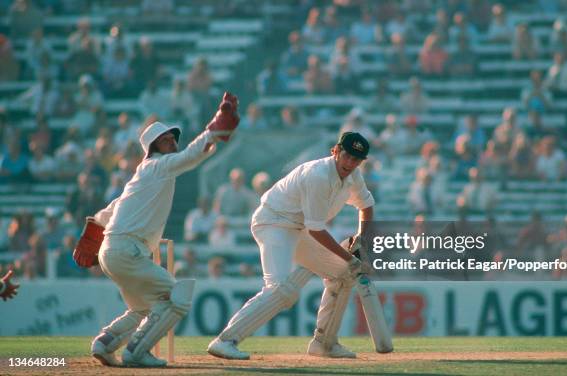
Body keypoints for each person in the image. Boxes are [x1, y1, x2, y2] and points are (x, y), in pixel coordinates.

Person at [84, 93, 239, 367]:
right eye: (167, 140)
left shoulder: (145, 174)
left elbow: (112, 209)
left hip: (114, 251)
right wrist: (213, 131)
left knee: (143, 308)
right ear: (153, 146)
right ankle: (136, 351)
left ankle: (105, 342)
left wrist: (94, 229)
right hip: (127, 250)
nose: (173, 143)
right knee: (176, 297)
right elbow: (192, 156)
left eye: (173, 138)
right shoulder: (157, 166)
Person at [207, 132, 374, 360]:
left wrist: (362, 242)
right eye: (347, 156)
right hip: (274, 222)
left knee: (344, 275)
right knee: (281, 289)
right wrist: (350, 258)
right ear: (335, 151)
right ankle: (225, 340)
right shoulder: (318, 175)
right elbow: (316, 230)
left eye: (356, 160)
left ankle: (324, 343)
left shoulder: (354, 176)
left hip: (299, 229)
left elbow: (366, 205)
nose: (350, 163)